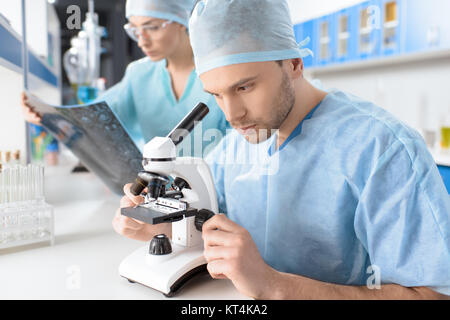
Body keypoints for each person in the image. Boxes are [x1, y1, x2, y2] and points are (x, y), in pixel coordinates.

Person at [114, 0, 450, 299]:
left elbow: (432, 293)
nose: (232, 115)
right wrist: (156, 227)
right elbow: (208, 227)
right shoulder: (234, 150)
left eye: (244, 86)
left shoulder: (382, 150)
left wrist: (274, 287)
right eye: (216, 95)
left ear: (293, 64)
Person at [21, 0, 228, 156]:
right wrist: (46, 115)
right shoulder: (139, 75)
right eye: (135, 30)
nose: (141, 41)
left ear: (182, 20)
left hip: (215, 194)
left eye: (151, 27)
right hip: (160, 193)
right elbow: (94, 118)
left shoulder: (221, 71)